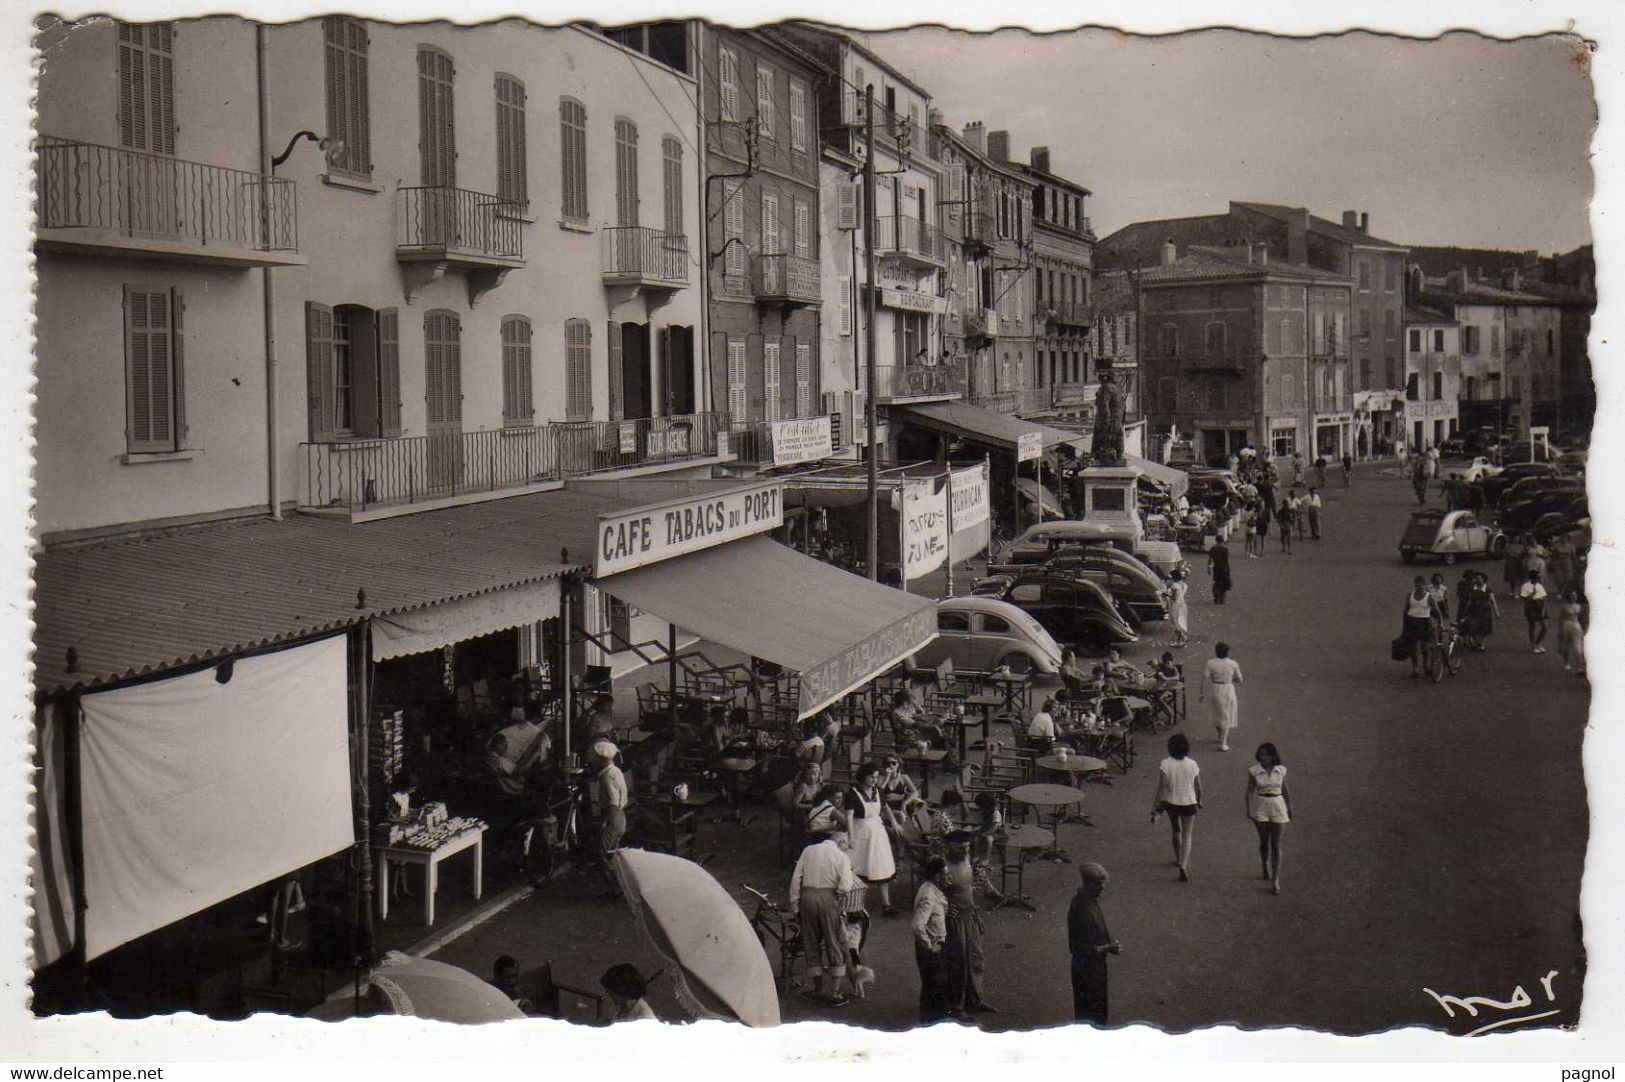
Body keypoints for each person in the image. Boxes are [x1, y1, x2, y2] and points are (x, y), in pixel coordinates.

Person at [788, 827, 858, 1007]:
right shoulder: (842, 857)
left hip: (807, 898)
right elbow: (846, 885)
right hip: (829, 900)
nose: (846, 849)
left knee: (811, 942)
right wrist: (838, 895)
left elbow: (796, 879)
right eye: (846, 846)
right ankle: (834, 992)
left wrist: (795, 906)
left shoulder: (808, 850)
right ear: (841, 842)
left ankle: (818, 989)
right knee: (833, 943)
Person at [941, 830, 1002, 1015]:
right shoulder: (942, 866)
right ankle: (956, 1006)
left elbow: (969, 887)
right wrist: (945, 907)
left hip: (970, 916)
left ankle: (975, 999)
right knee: (957, 963)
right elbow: (930, 890)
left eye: (967, 847)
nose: (965, 850)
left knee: (975, 958)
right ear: (949, 846)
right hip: (954, 920)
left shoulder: (966, 859)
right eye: (960, 847)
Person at [1067, 863, 1121, 1025]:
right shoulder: (1081, 909)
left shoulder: (1089, 901)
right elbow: (1079, 948)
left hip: (1095, 968)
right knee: (1090, 1014)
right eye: (1099, 884)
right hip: (1086, 970)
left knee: (1097, 1011)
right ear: (1089, 884)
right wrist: (1108, 947)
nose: (1103, 888)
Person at [845, 764, 900, 916]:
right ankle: (853, 904)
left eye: (876, 777)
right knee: (856, 867)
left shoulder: (879, 792)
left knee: (881, 866)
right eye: (871, 777)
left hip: (877, 834)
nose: (875, 780)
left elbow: (886, 808)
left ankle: (886, 905)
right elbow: (849, 817)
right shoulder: (853, 794)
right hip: (860, 832)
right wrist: (850, 836)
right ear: (863, 777)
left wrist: (894, 822)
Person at [1152, 732, 1203, 881]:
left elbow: (1161, 787)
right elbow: (1199, 786)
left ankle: (1178, 858)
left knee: (1176, 830)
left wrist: (1156, 805)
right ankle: (1184, 864)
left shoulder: (1165, 763)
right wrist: (1200, 800)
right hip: (1189, 801)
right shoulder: (1192, 764)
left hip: (1171, 802)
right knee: (1188, 834)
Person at [1244, 742, 1293, 895]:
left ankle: (1275, 879)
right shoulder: (1254, 771)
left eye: (1266, 754)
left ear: (1273, 756)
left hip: (1278, 806)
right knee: (1264, 841)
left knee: (1276, 844)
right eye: (1261, 755)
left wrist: (1290, 806)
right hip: (1261, 806)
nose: (1263, 758)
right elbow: (1249, 791)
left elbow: (1284, 789)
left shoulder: (1281, 770)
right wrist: (1249, 810)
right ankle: (1265, 864)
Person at [911, 854, 951, 1023]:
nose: (949, 877)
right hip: (931, 947)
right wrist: (929, 946)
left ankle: (933, 1018)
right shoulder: (929, 895)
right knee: (933, 983)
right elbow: (917, 925)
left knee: (934, 983)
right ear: (937, 876)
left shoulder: (930, 888)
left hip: (932, 944)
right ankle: (931, 1020)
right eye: (946, 874)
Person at [591, 740, 628, 898]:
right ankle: (620, 886)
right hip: (620, 818)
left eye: (596, 757)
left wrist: (604, 822)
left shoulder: (607, 777)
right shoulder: (616, 771)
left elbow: (613, 802)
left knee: (602, 855)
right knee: (613, 856)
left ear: (603, 759)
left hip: (612, 818)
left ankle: (615, 889)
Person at [1199, 642, 1243, 751]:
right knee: (1226, 715)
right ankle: (1224, 742)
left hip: (1215, 688)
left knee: (1216, 713)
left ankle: (1220, 732)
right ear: (1227, 652)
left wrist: (1201, 693)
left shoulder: (1210, 663)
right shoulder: (1233, 664)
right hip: (1228, 688)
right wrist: (1230, 679)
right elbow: (1240, 680)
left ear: (1216, 651)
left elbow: (1204, 678)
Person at [1402, 576, 1444, 677]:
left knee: (1424, 647)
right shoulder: (1410, 596)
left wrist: (1440, 623)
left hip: (1425, 623)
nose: (1418, 587)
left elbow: (1438, 612)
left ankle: (1425, 665)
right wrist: (1405, 624)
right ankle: (1415, 668)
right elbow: (1406, 610)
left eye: (1420, 586)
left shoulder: (1429, 597)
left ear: (1425, 585)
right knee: (1412, 647)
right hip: (1412, 622)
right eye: (1416, 585)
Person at [1461, 571, 1500, 651]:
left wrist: (1496, 612)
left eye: (1479, 578)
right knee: (1473, 626)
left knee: (1484, 628)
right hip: (1473, 610)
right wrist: (1465, 611)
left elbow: (1493, 601)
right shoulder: (1472, 588)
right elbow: (1469, 600)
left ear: (1483, 579)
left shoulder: (1487, 589)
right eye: (1476, 578)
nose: (1478, 580)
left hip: (1484, 610)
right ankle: (1475, 642)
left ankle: (1482, 644)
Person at [1556, 588, 1586, 676]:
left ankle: (1579, 667)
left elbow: (1582, 618)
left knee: (1578, 646)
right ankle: (1566, 662)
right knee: (1565, 644)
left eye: (1575, 596)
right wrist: (1560, 630)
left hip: (1576, 625)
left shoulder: (1579, 606)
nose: (1574, 597)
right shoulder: (1564, 606)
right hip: (1566, 625)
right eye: (1572, 596)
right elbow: (1561, 618)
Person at [1519, 570, 1550, 654]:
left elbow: (1544, 597)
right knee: (1532, 627)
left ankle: (1538, 643)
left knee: (1545, 628)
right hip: (1531, 606)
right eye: (1538, 577)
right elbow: (1524, 598)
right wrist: (1532, 594)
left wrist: (1543, 609)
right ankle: (1533, 646)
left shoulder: (1540, 585)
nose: (1539, 579)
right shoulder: (1525, 586)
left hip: (1540, 605)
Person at [1165, 568, 1189, 648]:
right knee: (1180, 622)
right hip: (1182, 604)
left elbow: (1174, 598)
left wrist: (1166, 594)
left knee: (1175, 623)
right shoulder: (1183, 584)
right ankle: (1181, 639)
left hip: (1175, 605)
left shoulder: (1175, 586)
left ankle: (1182, 639)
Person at [1207, 539, 1233, 605]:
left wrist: (1209, 568)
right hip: (1224, 568)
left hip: (1216, 568)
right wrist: (1228, 569)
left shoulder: (1213, 548)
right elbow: (1226, 560)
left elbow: (1210, 560)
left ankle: (1216, 596)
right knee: (1224, 583)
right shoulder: (1225, 549)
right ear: (1222, 541)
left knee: (1217, 582)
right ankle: (1222, 599)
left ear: (1216, 540)